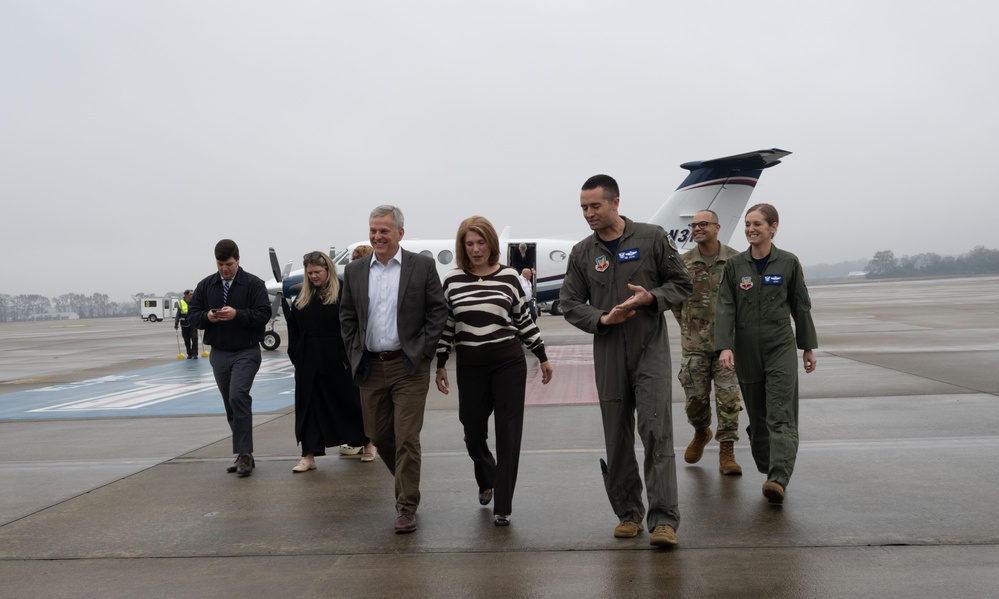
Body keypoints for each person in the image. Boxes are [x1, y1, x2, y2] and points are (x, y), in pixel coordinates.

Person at [559, 174, 692, 547]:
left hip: (649, 348)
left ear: (615, 203)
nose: (589, 213)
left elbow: (682, 283)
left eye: (595, 206)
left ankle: (663, 520)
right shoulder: (583, 253)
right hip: (609, 350)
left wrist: (651, 298)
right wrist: (602, 318)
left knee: (656, 431)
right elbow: (569, 302)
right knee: (616, 436)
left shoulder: (651, 238)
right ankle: (628, 514)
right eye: (584, 208)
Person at [434, 216, 554, 527]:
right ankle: (486, 476)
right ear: (462, 247)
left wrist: (542, 355)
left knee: (508, 433)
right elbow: (447, 326)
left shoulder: (509, 277)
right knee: (473, 432)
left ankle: (503, 504)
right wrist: (440, 363)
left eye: (481, 242)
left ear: (492, 244)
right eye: (469, 244)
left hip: (508, 364)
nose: (476, 249)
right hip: (470, 367)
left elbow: (523, 320)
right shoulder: (452, 280)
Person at [340, 205, 448, 534]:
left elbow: (437, 311)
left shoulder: (422, 266)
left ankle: (406, 506)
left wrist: (424, 351)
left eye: (384, 231)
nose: (377, 236)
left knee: (407, 438)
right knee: (378, 434)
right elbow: (347, 316)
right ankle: (405, 482)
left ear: (400, 233)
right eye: (373, 230)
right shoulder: (355, 271)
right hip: (370, 366)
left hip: (408, 365)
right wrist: (354, 350)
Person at [716, 203, 818, 504]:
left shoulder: (788, 262)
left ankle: (778, 477)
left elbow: (801, 305)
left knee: (780, 414)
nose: (750, 229)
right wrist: (725, 346)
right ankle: (768, 466)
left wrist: (807, 347)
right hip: (746, 346)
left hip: (779, 344)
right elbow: (725, 307)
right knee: (759, 417)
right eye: (748, 224)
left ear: (773, 228)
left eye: (757, 224)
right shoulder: (735, 266)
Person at [282, 251, 375, 473]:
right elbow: (293, 327)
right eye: (309, 273)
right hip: (308, 359)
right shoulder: (302, 296)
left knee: (349, 403)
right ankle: (308, 455)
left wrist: (349, 356)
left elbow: (356, 325)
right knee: (308, 407)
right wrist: (296, 353)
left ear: (328, 270)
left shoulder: (343, 292)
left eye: (317, 272)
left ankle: (368, 443)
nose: (313, 276)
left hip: (338, 358)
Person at [188, 239, 272, 477]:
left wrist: (238, 314)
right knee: (230, 403)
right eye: (220, 264)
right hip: (219, 353)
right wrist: (207, 317)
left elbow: (263, 314)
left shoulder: (254, 284)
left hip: (246, 351)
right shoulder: (206, 285)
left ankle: (244, 454)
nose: (224, 269)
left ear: (238, 260)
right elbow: (193, 315)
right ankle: (244, 453)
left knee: (238, 396)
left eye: (229, 264)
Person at [670, 210, 744, 475]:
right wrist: (689, 326)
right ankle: (702, 431)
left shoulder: (735, 260)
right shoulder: (683, 263)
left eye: (703, 224)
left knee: (728, 400)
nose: (697, 228)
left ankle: (727, 451)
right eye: (694, 225)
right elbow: (675, 301)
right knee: (695, 401)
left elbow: (744, 301)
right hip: (695, 347)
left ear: (717, 227)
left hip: (727, 347)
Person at [339, 242, 378, 458]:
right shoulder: (350, 285)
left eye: (359, 259)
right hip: (356, 351)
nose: (355, 264)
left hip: (368, 352)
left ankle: (370, 442)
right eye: (354, 260)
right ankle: (361, 440)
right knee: (356, 401)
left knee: (368, 402)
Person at [174, 289, 198, 358]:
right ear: (186, 295)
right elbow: (178, 314)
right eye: (191, 294)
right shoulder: (180, 303)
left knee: (195, 338)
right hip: (184, 324)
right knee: (186, 340)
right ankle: (189, 353)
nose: (192, 295)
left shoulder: (194, 302)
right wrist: (176, 323)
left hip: (193, 324)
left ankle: (195, 353)